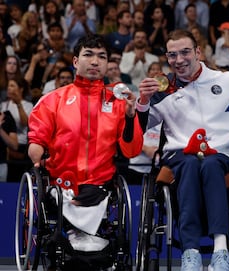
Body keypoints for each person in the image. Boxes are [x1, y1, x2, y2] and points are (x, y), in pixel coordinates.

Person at [136, 29, 229, 271]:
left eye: (185, 52)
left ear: (198, 52)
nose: (179, 60)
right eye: (172, 55)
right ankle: (190, 253)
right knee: (191, 162)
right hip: (180, 157)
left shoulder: (226, 81)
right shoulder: (163, 91)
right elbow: (137, 129)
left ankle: (221, 251)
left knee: (211, 163)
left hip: (221, 156)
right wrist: (142, 101)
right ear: (167, 58)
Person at [27, 34, 148, 261]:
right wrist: (37, 157)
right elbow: (37, 141)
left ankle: (85, 243)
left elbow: (131, 151)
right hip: (60, 184)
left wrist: (131, 117)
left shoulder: (118, 102)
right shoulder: (52, 100)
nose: (95, 62)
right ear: (75, 61)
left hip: (100, 186)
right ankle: (77, 240)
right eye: (88, 55)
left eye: (102, 57)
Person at [1, 77, 32, 181]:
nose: (9, 89)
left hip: (21, 146)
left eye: (12, 86)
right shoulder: (3, 105)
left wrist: (18, 103)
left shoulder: (28, 105)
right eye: (8, 86)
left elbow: (25, 123)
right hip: (5, 144)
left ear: (21, 89)